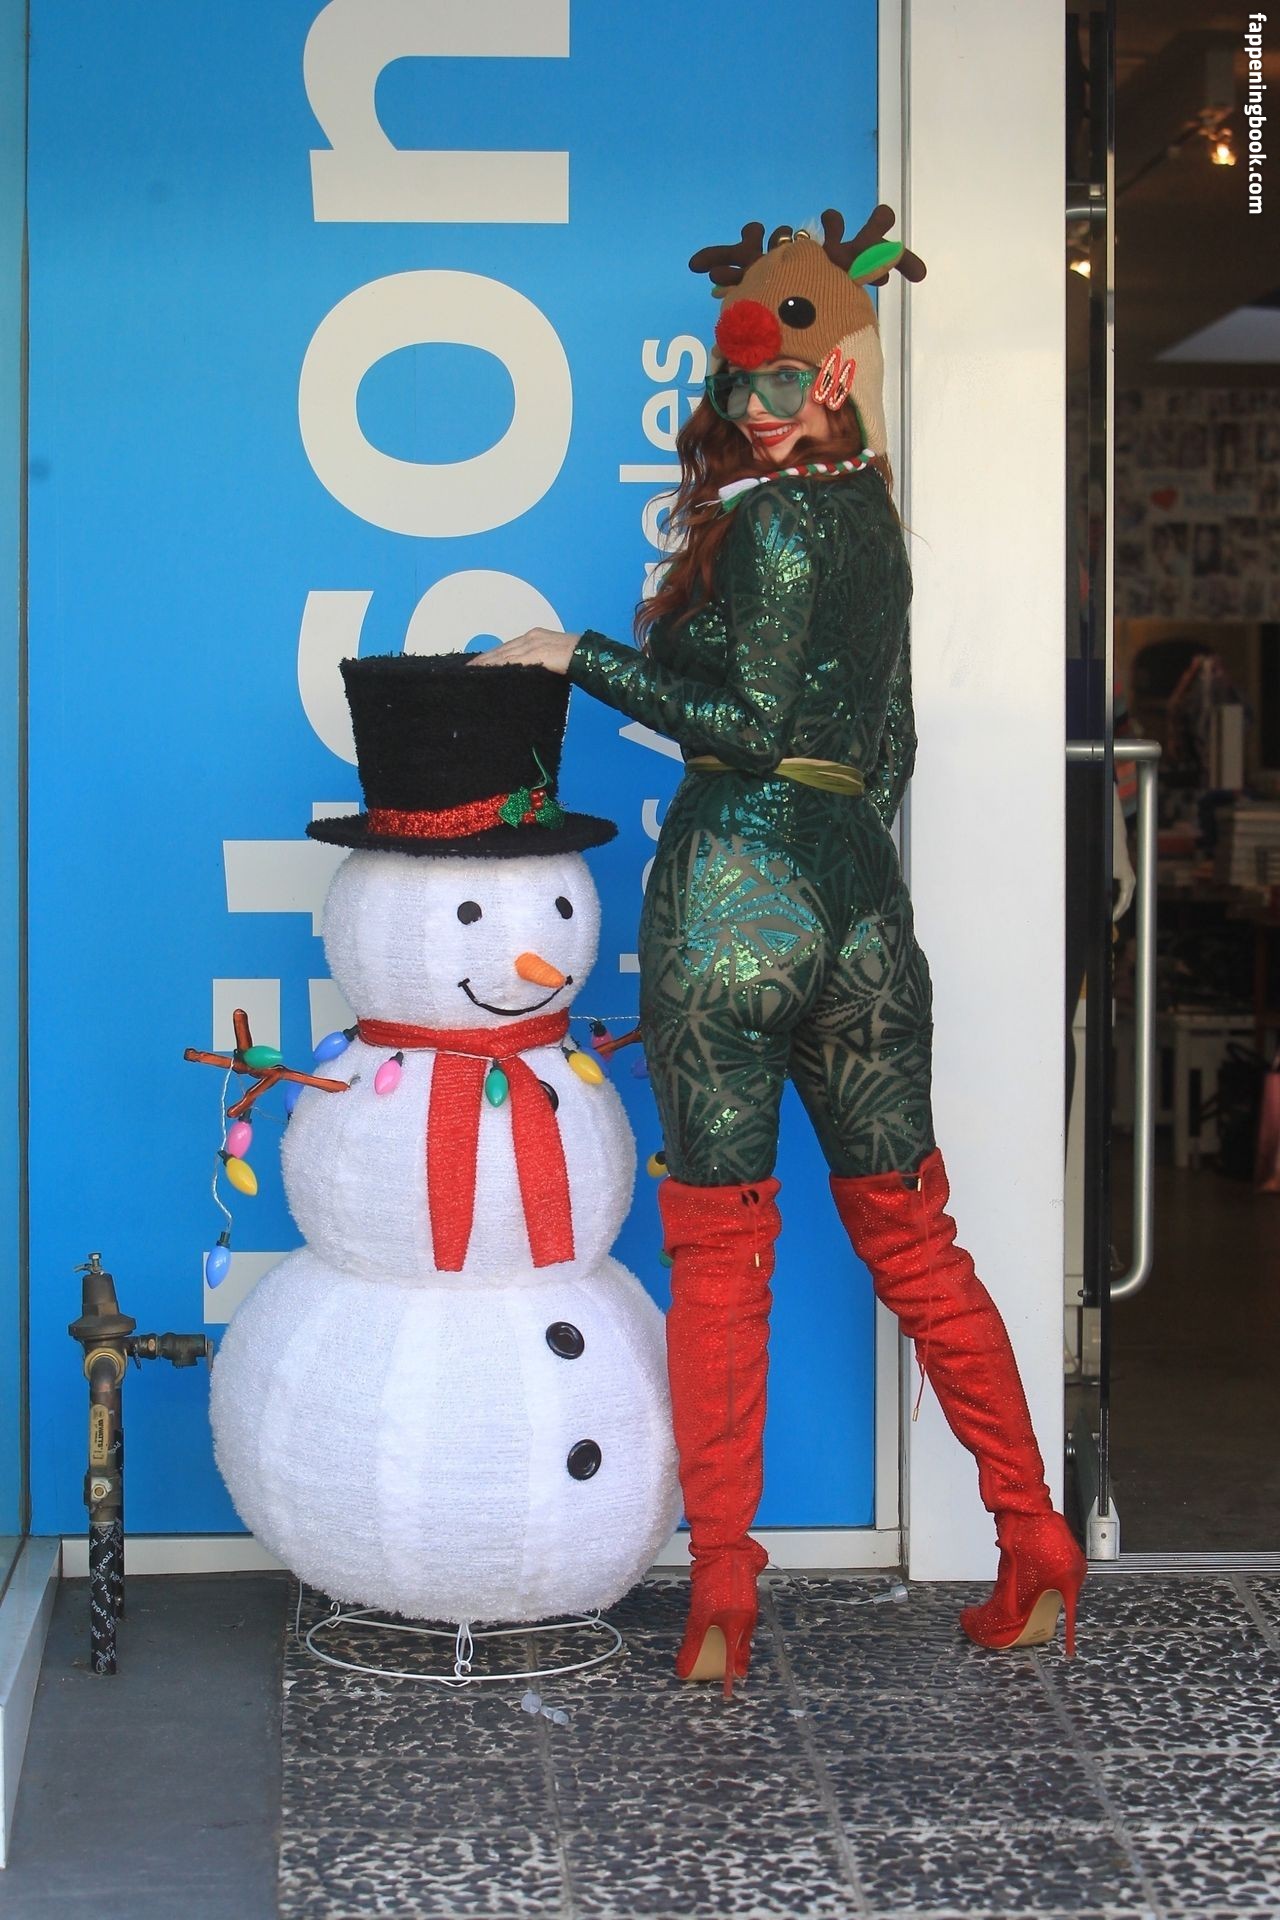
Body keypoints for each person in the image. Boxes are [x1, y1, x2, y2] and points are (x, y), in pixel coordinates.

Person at [473, 205, 1085, 1694]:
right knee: (916, 1239)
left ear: (836, 376)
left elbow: (744, 723)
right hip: (862, 901)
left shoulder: (767, 524)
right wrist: (838, 850)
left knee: (721, 1252)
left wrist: (575, 655)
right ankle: (1034, 1539)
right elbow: (891, 744)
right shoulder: (876, 526)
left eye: (777, 382)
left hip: (732, 900)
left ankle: (723, 1596)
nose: (752, 410)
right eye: (738, 384)